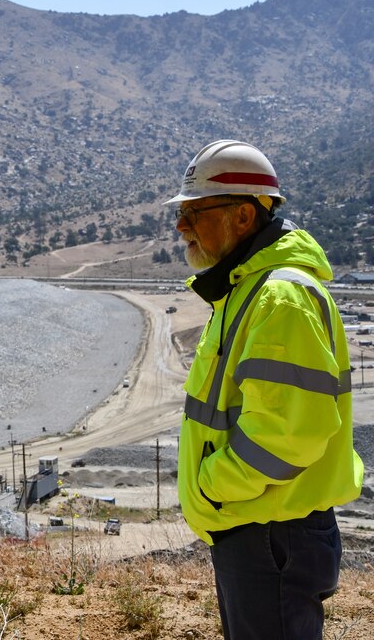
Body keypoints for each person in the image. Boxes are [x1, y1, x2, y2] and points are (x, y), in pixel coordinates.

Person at [167, 140, 363, 639]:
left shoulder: (280, 298)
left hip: (270, 533)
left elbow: (286, 435)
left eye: (195, 212)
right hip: (260, 527)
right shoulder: (244, 289)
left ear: (243, 217)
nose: (180, 226)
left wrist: (212, 487)